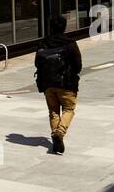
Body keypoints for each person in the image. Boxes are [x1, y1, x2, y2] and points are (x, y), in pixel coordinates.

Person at [34, 15, 82, 155]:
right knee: (68, 108)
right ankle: (59, 133)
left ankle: (56, 138)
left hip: (48, 83)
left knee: (53, 111)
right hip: (66, 83)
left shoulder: (43, 43)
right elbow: (78, 65)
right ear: (64, 26)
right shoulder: (70, 43)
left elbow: (37, 63)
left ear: (50, 27)